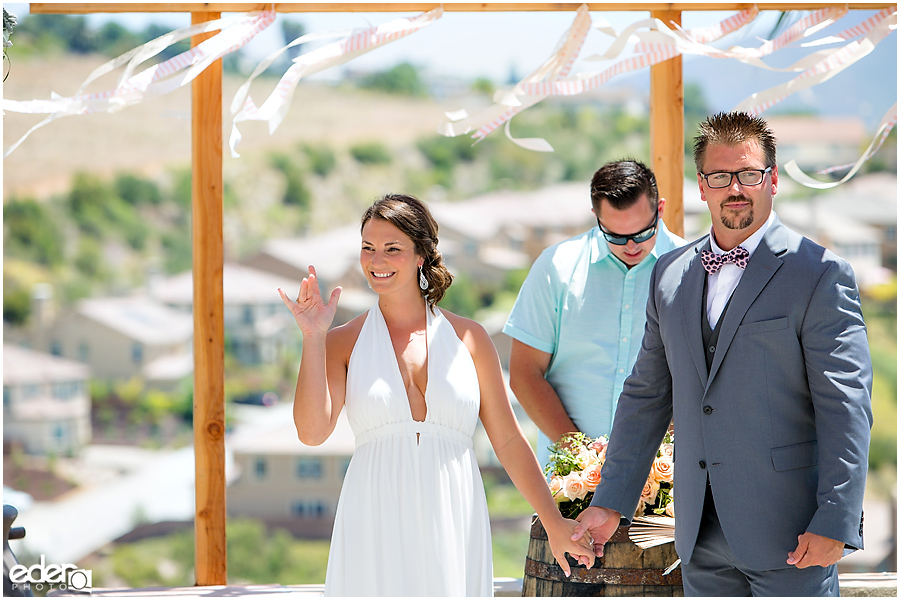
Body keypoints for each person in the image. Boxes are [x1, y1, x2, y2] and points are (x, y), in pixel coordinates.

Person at [573, 112, 873, 596]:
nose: (736, 188)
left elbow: (846, 407)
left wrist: (836, 520)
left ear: (772, 179)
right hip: (699, 537)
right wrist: (610, 501)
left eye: (749, 174)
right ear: (702, 186)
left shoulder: (819, 273)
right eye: (720, 176)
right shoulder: (669, 275)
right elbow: (646, 395)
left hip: (793, 536)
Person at [278, 193, 593, 596]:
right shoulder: (341, 342)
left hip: (453, 514)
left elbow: (509, 440)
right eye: (368, 248)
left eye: (393, 249)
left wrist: (553, 522)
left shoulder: (471, 338)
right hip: (372, 518)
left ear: (421, 256)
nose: (377, 261)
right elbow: (311, 431)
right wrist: (312, 338)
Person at [503, 159, 684, 468]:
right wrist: (581, 458)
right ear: (595, 216)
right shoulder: (555, 267)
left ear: (661, 209)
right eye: (615, 235)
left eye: (642, 233)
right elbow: (524, 374)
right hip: (569, 479)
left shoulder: (691, 270)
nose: (630, 246)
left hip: (665, 481)